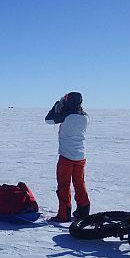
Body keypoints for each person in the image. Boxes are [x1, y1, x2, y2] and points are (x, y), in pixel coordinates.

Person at [45, 91, 90, 222]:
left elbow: (48, 119)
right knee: (79, 183)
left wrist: (56, 106)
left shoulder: (66, 116)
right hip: (81, 156)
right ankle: (83, 210)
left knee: (64, 185)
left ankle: (64, 214)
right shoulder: (85, 116)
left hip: (66, 156)